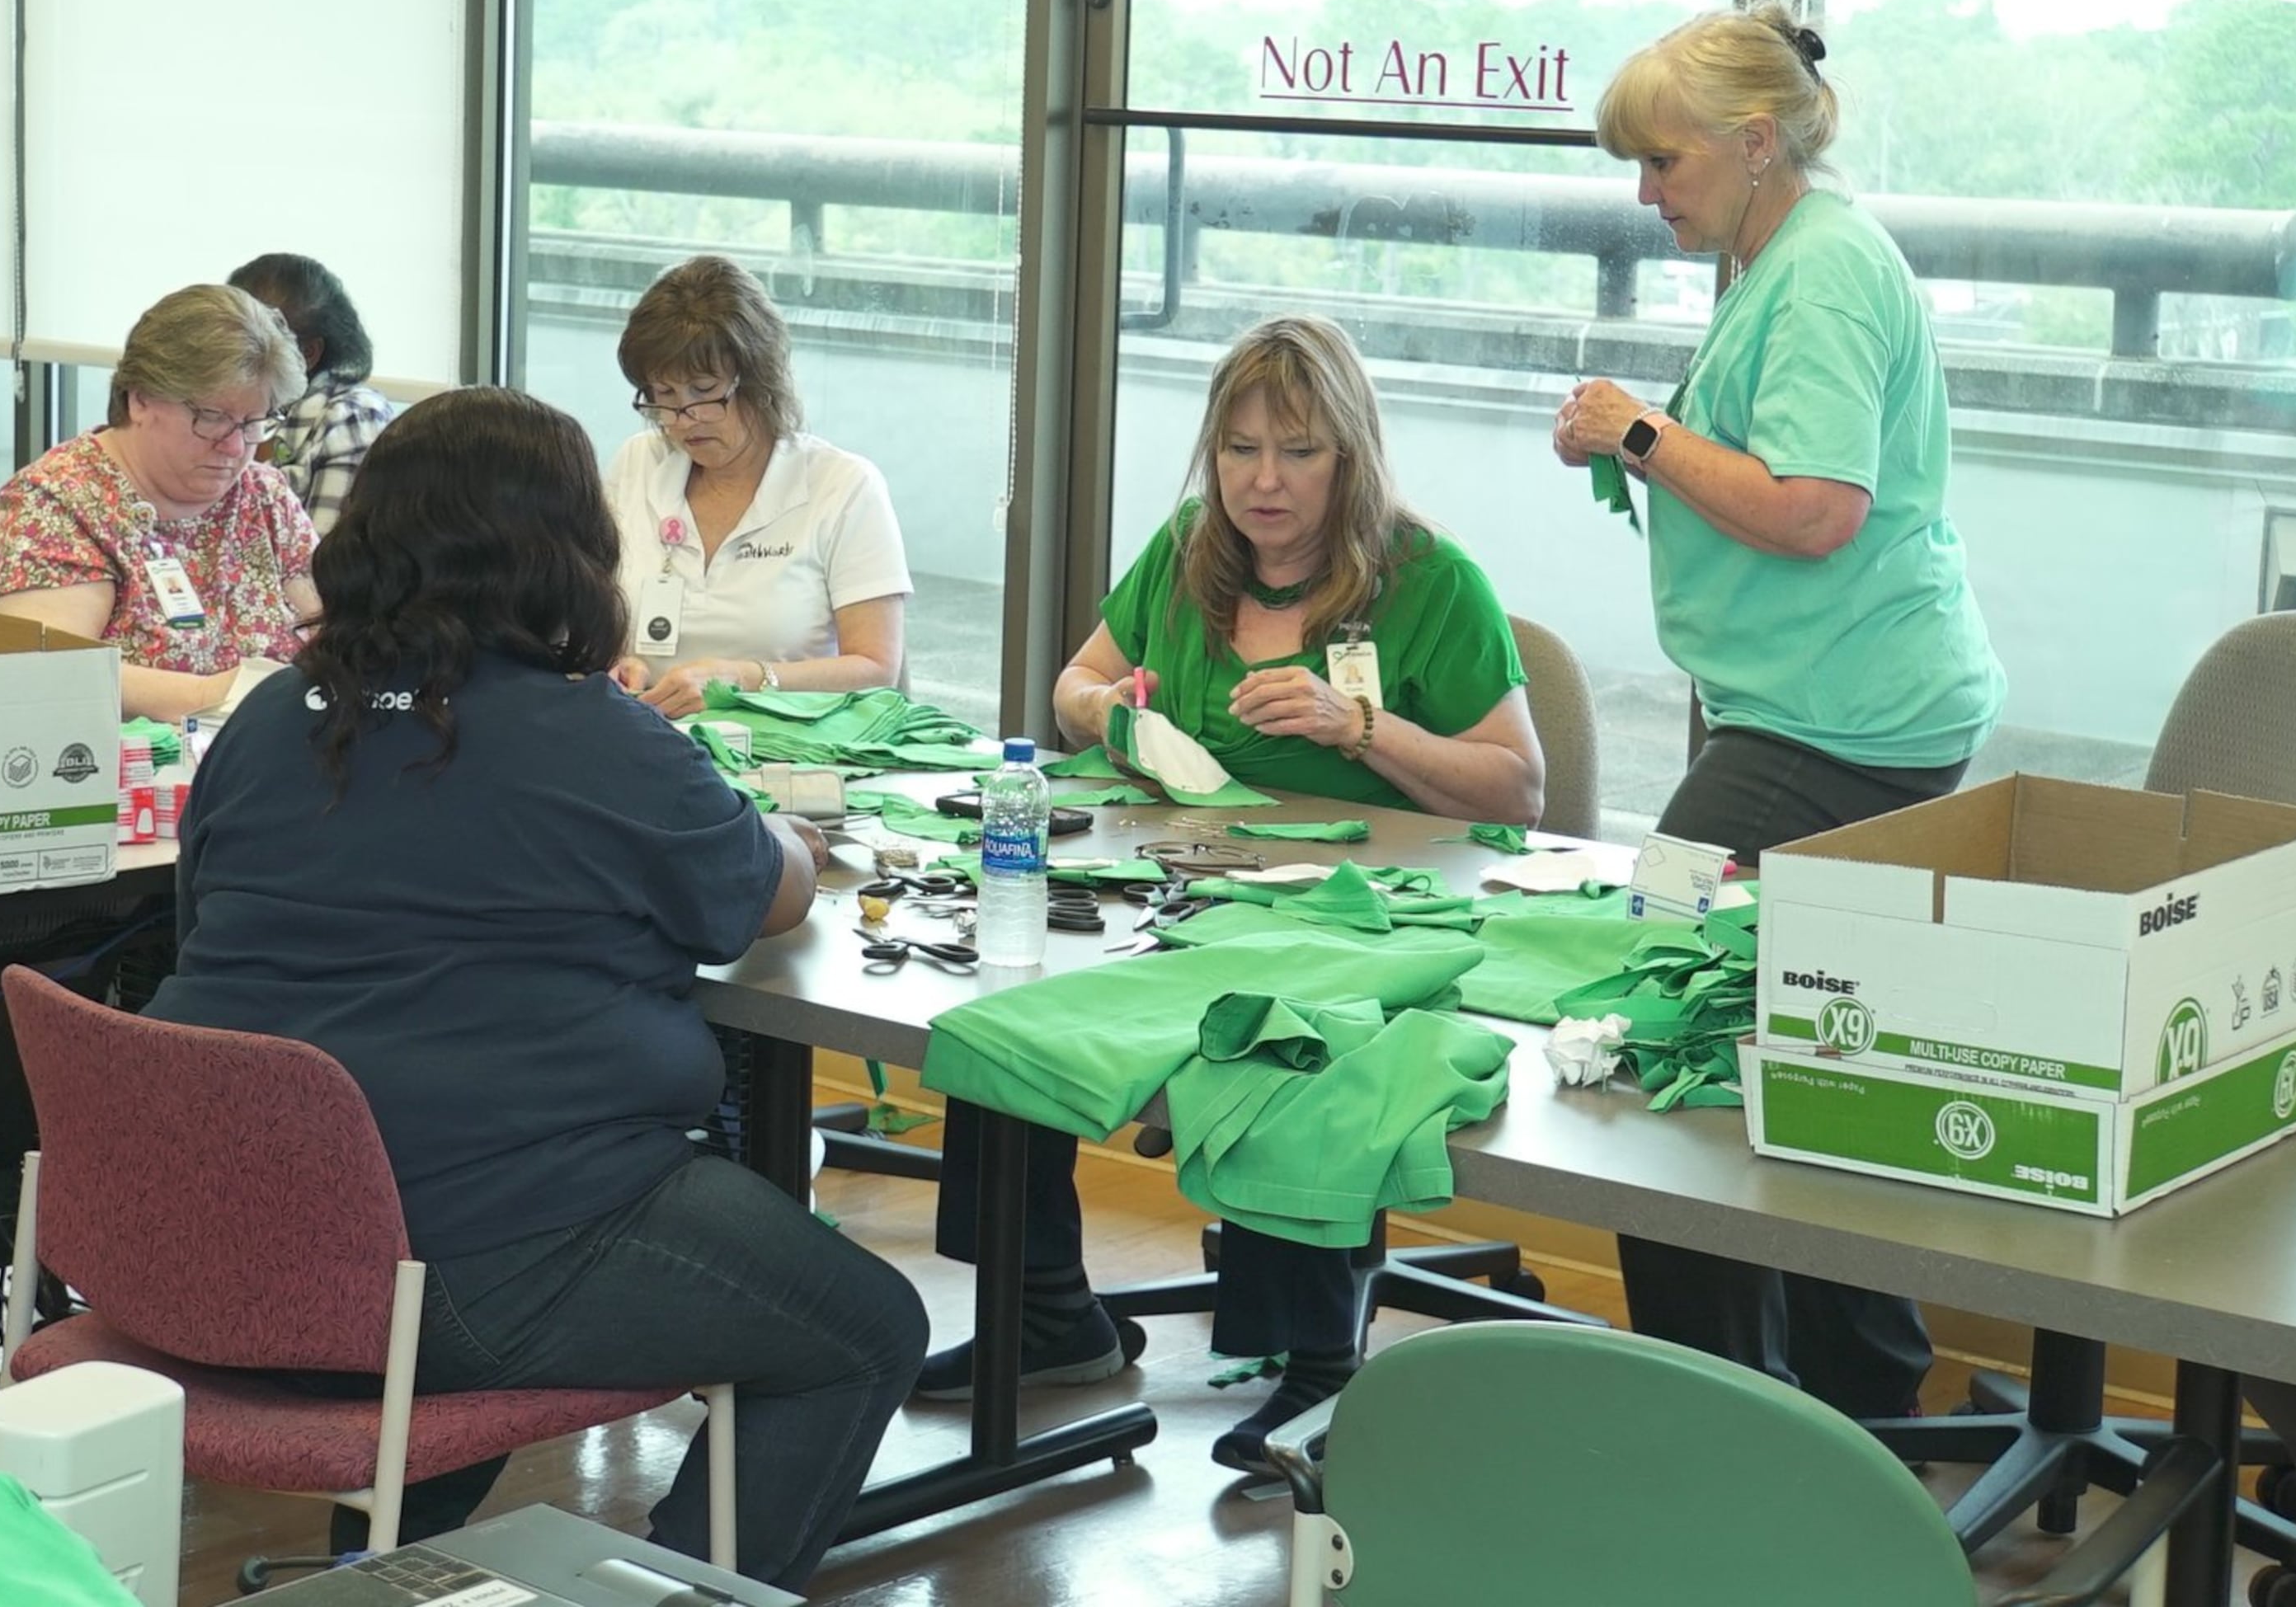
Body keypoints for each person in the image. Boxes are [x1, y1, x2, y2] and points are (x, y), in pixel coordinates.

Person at [150, 387, 925, 1588]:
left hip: (215, 1237)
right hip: (464, 1256)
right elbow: (763, 898)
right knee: (864, 1331)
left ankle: (383, 1583)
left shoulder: (267, 719)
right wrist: (789, 832)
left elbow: (203, 929)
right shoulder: (592, 737)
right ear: (565, 552)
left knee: (466, 1226)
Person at [926, 314, 1546, 1476]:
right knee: (1014, 995)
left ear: (1351, 455)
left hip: (1359, 908)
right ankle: (1046, 1310)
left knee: (1289, 1042)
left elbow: (1520, 784)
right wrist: (1109, 711)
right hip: (1190, 886)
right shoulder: (1189, 551)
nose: (1264, 482)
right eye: (1240, 450)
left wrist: (1359, 726)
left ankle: (1320, 1360)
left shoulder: (1430, 579)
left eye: (1298, 453)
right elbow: (1077, 683)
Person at [1553, 0, 2006, 1424]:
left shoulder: (1821, 276)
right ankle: (1859, 1391)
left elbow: (1815, 510)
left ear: (1756, 143)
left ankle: (1723, 1411)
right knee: (1812, 1046)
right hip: (1821, 707)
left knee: (1657, 993)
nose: (1646, 194)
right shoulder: (1780, 259)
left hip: (1837, 727)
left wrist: (1639, 431)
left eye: (1664, 162)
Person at [0, 284, 322, 722]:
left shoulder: (264, 497)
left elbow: (333, 631)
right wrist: (228, 694)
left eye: (255, 422)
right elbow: (48, 671)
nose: (236, 447)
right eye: (212, 417)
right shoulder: (55, 502)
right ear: (140, 398)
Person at [605, 255, 910, 719]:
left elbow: (876, 669)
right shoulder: (638, 462)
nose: (684, 420)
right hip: (651, 735)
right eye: (664, 396)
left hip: (788, 747)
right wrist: (615, 662)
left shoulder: (842, 486)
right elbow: (588, 615)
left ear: (759, 380)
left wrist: (748, 679)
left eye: (704, 392)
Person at [227, 251, 393, 535]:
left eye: (248, 345)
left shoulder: (353, 416)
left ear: (308, 353)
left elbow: (324, 554)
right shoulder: (212, 408)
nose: (226, 356)